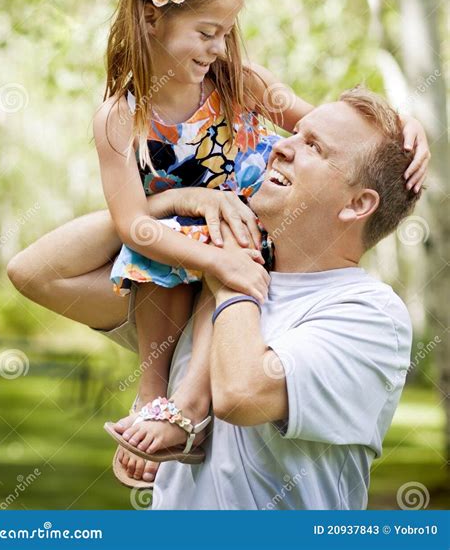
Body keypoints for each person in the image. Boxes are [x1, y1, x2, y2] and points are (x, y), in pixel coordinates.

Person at [6, 0, 429, 489]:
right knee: (174, 255)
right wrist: (181, 209)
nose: (218, 48)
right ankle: (154, 394)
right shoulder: (119, 116)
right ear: (152, 21)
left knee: (223, 266)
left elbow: (324, 130)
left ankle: (187, 406)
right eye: (207, 33)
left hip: (249, 227)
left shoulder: (238, 83)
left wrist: (404, 126)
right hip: (180, 238)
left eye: (226, 34)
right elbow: (129, 224)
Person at [151, 87, 424, 509]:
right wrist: (172, 200)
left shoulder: (371, 315)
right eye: (296, 133)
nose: (280, 145)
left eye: (313, 145)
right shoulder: (203, 269)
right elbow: (38, 271)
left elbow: (242, 394)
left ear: (357, 204)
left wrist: (230, 279)